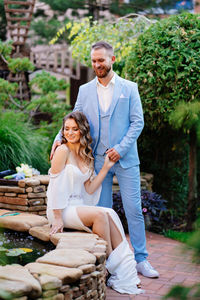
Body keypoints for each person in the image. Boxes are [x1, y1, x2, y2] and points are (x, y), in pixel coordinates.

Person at [51, 41, 159, 278]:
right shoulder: (85, 90)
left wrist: (120, 148)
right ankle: (110, 261)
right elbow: (75, 118)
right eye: (94, 61)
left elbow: (137, 122)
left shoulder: (129, 88)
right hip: (98, 161)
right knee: (104, 211)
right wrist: (58, 138)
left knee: (133, 210)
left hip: (126, 159)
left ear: (112, 59)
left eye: (101, 60)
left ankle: (141, 259)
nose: (97, 64)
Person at [47, 111, 144, 295]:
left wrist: (106, 166)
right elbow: (54, 186)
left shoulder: (85, 155)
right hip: (60, 208)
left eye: (75, 129)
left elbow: (90, 189)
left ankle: (125, 271)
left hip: (77, 205)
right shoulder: (62, 151)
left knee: (110, 213)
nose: (70, 133)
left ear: (82, 131)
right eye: (66, 129)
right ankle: (106, 268)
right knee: (100, 214)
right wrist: (57, 217)